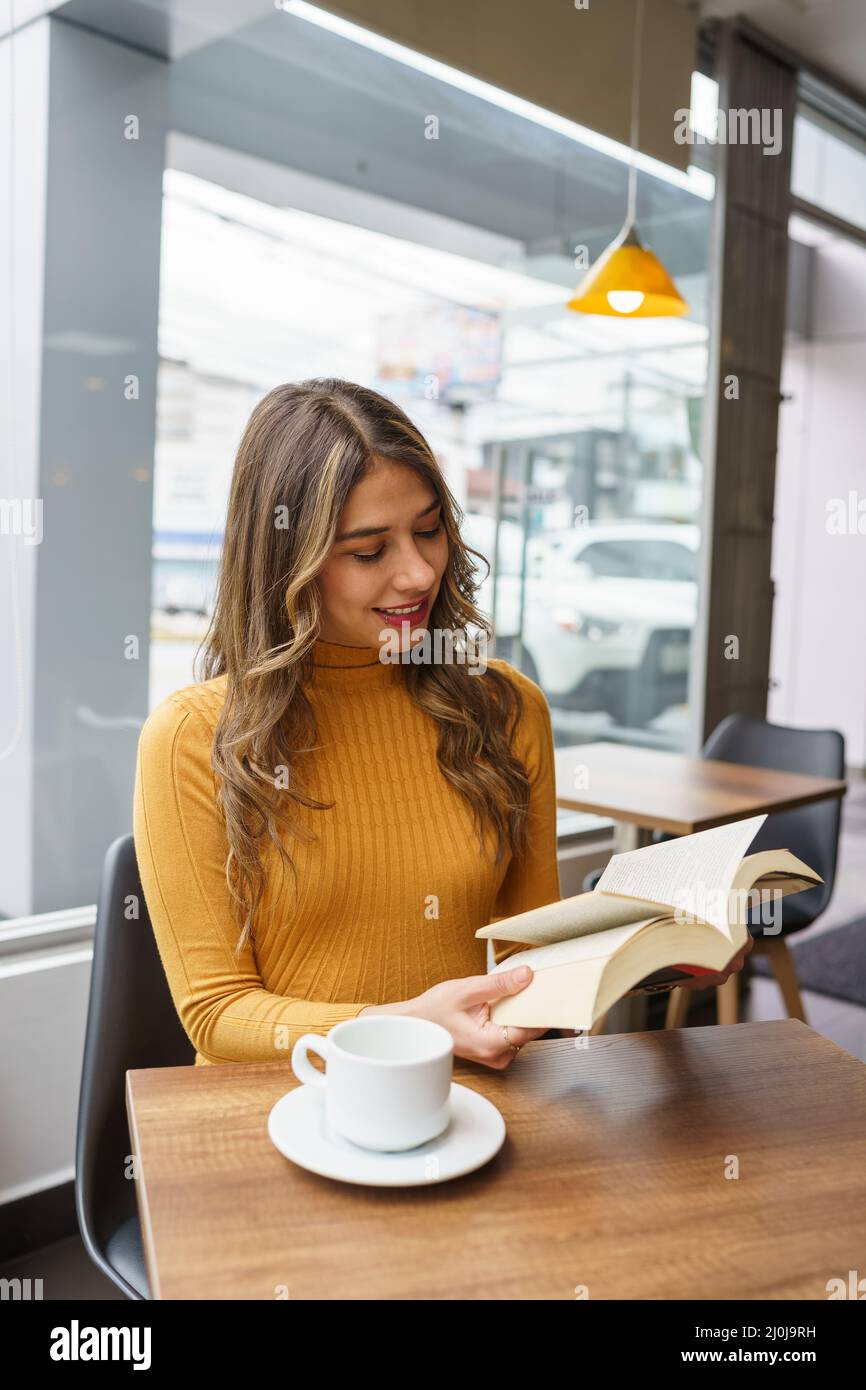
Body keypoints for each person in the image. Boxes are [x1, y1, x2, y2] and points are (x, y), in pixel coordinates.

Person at [133, 378, 750, 1072]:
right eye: (369, 551)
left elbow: (526, 965)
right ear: (286, 563)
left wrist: (653, 961)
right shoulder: (192, 737)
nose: (419, 571)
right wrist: (398, 1027)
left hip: (462, 1107)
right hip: (280, 1118)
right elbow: (217, 1013)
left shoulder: (508, 710)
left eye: (429, 530)